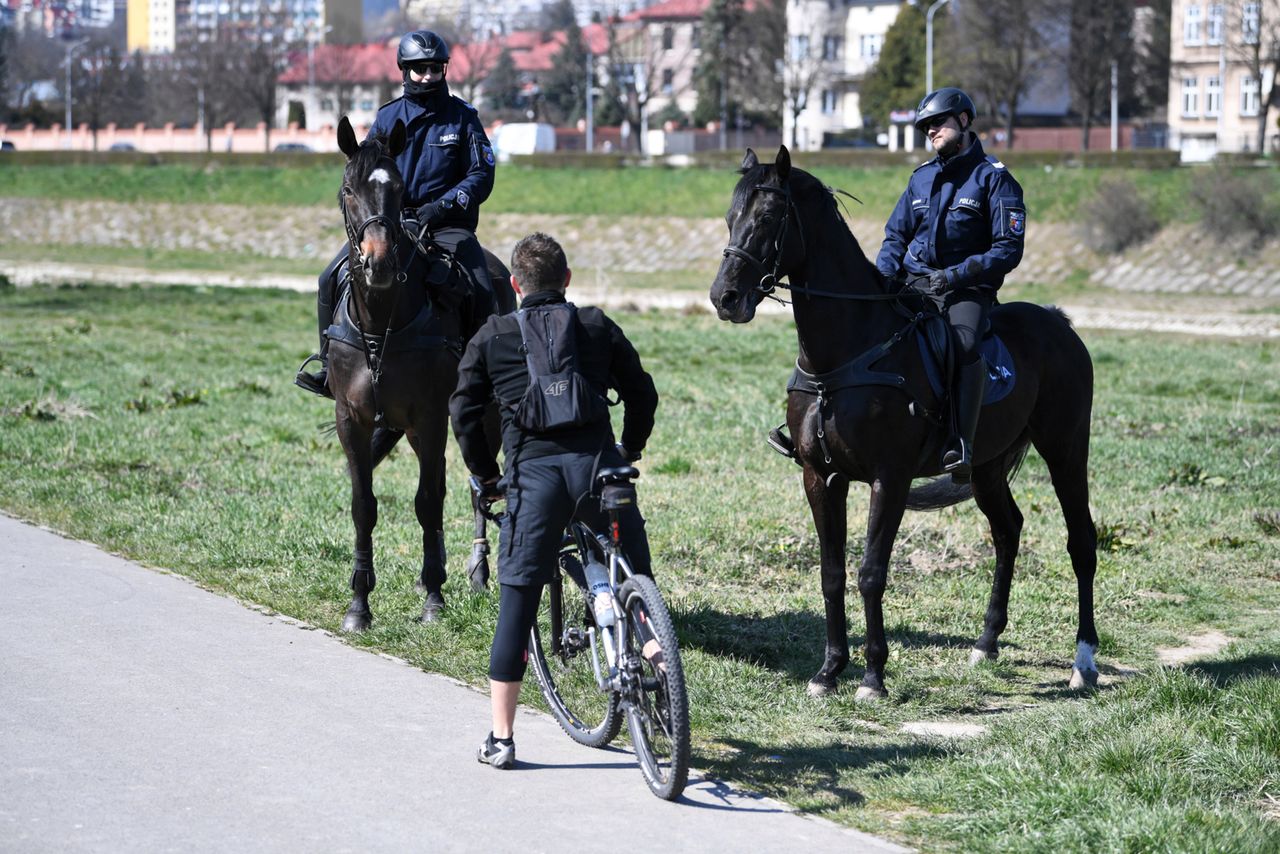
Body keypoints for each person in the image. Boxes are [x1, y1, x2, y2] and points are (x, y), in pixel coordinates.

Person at [449, 233, 658, 769]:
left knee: (517, 604)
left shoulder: (493, 336)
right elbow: (642, 391)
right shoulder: (595, 326)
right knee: (636, 576)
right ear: (567, 280)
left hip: (534, 480)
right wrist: (626, 448)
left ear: (515, 285)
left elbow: (464, 409)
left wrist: (486, 473)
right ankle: (657, 658)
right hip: (598, 472)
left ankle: (501, 739)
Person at [296, 29, 499, 397]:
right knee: (328, 277)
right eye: (419, 69)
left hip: (448, 227)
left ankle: (488, 371)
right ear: (404, 70)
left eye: (435, 68)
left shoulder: (463, 118)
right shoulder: (388, 117)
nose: (428, 76)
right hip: (392, 224)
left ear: (444, 70)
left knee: (485, 287)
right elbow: (367, 170)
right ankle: (329, 367)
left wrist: (442, 206)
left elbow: (481, 174)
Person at [875, 87, 1027, 483]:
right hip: (915, 282)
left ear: (962, 120)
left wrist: (956, 275)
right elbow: (895, 236)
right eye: (926, 127)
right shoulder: (920, 179)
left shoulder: (995, 180)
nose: (931, 132)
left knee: (963, 344)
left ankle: (961, 442)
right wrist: (884, 278)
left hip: (966, 291)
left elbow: (1008, 248)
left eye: (937, 123)